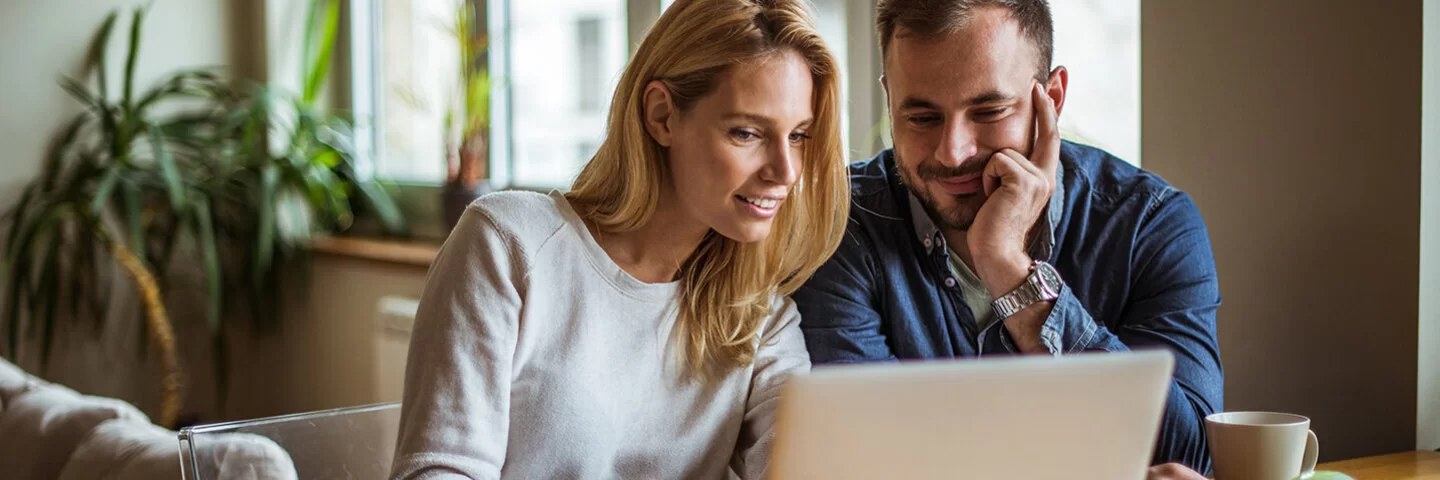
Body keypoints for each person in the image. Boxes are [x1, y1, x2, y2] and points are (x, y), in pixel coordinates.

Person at [389, 0, 849, 478]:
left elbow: (799, 465)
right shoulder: (509, 246)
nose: (786, 171)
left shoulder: (760, 319)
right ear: (661, 116)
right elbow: (440, 470)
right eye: (748, 132)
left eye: (798, 136)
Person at [790, 0, 1224, 475]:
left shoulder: (1150, 226)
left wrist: (1011, 271)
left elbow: (1189, 459)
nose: (953, 153)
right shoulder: (839, 224)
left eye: (989, 111)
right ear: (889, 98)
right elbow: (862, 461)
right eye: (922, 118)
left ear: (1052, 99)